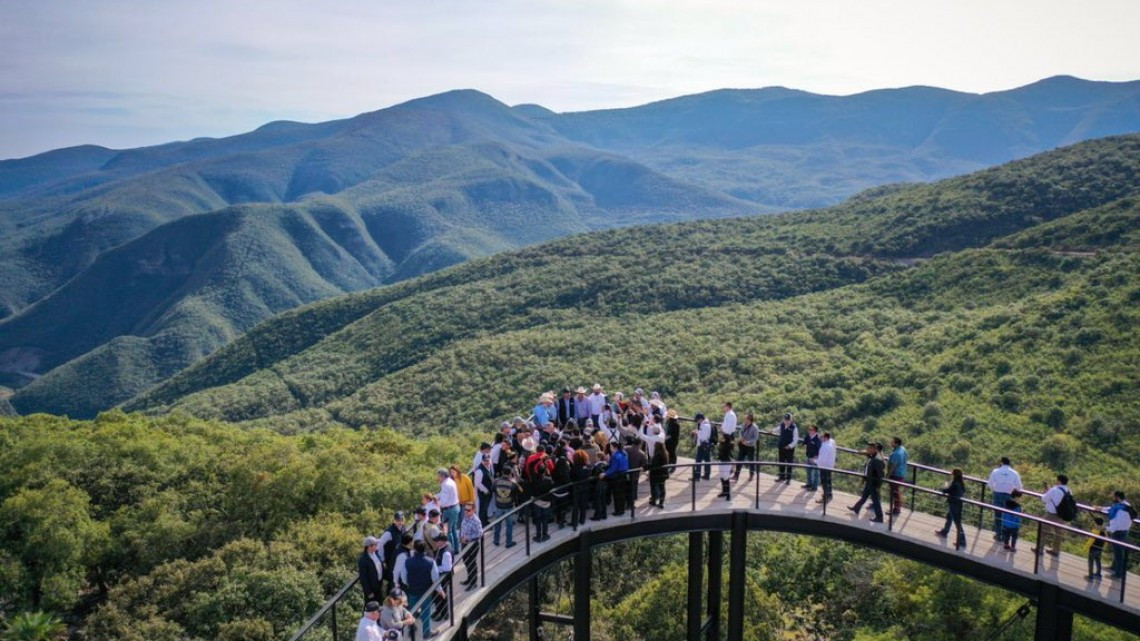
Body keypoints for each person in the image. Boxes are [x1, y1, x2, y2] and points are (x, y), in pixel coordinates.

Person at [399, 540, 441, 640]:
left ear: (414, 549)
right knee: (426, 612)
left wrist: (409, 584)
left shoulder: (407, 561)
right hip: (426, 590)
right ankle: (426, 633)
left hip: (412, 590)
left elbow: (403, 577)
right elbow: (435, 578)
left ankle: (411, 630)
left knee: (412, 611)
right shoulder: (430, 562)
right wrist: (439, 590)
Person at [1033, 474, 1072, 557]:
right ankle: (1056, 551)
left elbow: (1045, 499)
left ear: (1059, 481)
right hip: (1062, 516)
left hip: (1051, 514)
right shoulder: (1069, 490)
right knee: (1059, 534)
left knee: (1043, 531)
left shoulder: (1054, 489)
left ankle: (1039, 549)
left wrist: (1045, 492)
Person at [987, 457, 1023, 538]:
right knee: (1006, 516)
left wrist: (995, 488)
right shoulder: (1014, 473)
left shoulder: (995, 471)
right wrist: (1011, 488)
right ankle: (1005, 536)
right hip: (1008, 496)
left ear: (1002, 462)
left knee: (998, 516)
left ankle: (998, 534)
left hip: (997, 494)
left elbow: (990, 484)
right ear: (1009, 463)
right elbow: (1019, 487)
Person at [848, 443, 884, 523]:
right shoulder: (872, 456)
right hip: (869, 481)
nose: (867, 449)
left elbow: (880, 475)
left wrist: (878, 486)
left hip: (873, 483)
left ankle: (880, 517)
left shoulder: (877, 460)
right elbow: (863, 453)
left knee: (876, 500)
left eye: (869, 448)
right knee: (864, 496)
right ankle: (856, 508)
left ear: (874, 449)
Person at [934, 468, 967, 550]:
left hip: (953, 504)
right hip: (957, 503)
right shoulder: (960, 483)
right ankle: (944, 532)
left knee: (957, 523)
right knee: (949, 518)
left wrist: (945, 485)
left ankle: (962, 541)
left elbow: (946, 490)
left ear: (954, 475)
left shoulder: (955, 483)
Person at [491, 465, 521, 547]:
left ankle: (496, 540)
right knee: (509, 525)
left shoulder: (496, 481)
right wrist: (515, 482)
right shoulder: (513, 484)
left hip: (499, 506)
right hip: (509, 507)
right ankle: (508, 542)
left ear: (502, 472)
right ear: (510, 473)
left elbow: (493, 489)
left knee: (497, 524)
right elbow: (521, 491)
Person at [1107, 490, 1135, 579]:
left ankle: (1118, 574)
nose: (1113, 498)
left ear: (1117, 497)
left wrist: (1108, 528)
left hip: (1118, 532)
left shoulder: (1120, 510)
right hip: (1124, 531)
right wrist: (1101, 508)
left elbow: (1118, 524)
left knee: (1119, 553)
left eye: (1114, 497)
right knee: (1118, 552)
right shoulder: (1126, 506)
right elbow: (1112, 509)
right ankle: (1114, 567)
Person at [378, 512, 406, 593]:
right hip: (391, 561)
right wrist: (382, 559)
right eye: (398, 520)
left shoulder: (403, 529)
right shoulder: (389, 533)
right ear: (394, 520)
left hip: (400, 560)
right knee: (393, 582)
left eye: (401, 520)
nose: (400, 522)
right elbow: (380, 545)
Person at [437, 468, 462, 554]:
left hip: (449, 510)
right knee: (454, 529)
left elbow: (444, 501)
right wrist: (437, 496)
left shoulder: (446, 485)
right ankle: (456, 548)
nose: (438, 478)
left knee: (448, 531)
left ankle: (451, 549)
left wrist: (437, 502)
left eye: (439, 476)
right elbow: (444, 495)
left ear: (442, 476)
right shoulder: (451, 481)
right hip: (456, 507)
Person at [459, 503, 483, 590]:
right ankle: (469, 579)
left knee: (472, 563)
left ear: (473, 510)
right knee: (466, 561)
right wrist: (461, 538)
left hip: (472, 544)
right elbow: (463, 529)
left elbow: (480, 533)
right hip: (464, 544)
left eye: (468, 510)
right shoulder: (465, 518)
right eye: (465, 509)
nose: (466, 511)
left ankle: (473, 583)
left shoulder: (476, 521)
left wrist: (468, 538)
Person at [603, 441, 630, 515]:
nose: (610, 448)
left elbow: (613, 469)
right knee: (622, 495)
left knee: (617, 495)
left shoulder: (614, 456)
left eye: (611, 447)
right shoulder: (623, 454)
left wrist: (604, 473)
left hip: (617, 478)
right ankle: (622, 510)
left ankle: (618, 511)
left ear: (615, 447)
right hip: (624, 476)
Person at [531, 464, 555, 542]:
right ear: (545, 471)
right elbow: (552, 488)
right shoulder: (549, 480)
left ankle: (538, 536)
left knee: (538, 520)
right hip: (546, 503)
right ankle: (545, 535)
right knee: (545, 519)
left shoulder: (534, 479)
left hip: (537, 502)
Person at [733, 413, 760, 481]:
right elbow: (740, 432)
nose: (745, 419)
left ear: (749, 419)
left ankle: (751, 475)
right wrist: (741, 438)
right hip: (742, 445)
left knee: (751, 461)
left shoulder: (755, 427)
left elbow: (756, 438)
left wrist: (748, 442)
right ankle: (736, 475)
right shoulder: (744, 425)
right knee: (739, 460)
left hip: (750, 447)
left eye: (746, 418)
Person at [359, 536, 384, 603]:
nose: (377, 546)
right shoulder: (363, 560)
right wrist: (368, 592)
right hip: (372, 588)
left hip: (379, 585)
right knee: (371, 608)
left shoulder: (376, 554)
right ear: (369, 546)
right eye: (375, 545)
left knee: (379, 605)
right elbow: (363, 578)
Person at [886, 437, 907, 515]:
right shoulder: (903, 449)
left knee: (895, 492)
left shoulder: (896, 454)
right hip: (902, 473)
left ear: (896, 443)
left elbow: (892, 466)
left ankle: (896, 510)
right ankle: (896, 509)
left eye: (892, 442)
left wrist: (888, 475)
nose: (890, 443)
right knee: (896, 492)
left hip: (896, 475)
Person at [775, 413, 799, 484]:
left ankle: (788, 479)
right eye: (785, 419)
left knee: (789, 463)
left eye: (787, 420)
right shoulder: (782, 425)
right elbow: (777, 429)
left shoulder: (794, 427)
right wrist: (771, 430)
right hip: (781, 446)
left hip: (789, 449)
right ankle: (781, 477)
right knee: (781, 462)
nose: (786, 421)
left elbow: (795, 440)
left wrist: (789, 446)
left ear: (791, 420)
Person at [647, 436, 669, 507]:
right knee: (662, 488)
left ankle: (654, 501)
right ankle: (661, 503)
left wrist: (645, 467)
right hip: (663, 474)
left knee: (654, 488)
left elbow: (653, 465)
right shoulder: (665, 454)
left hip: (656, 475)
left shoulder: (657, 456)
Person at [624, 438, 647, 506]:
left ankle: (626, 500)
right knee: (633, 488)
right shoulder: (642, 454)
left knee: (626, 487)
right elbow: (645, 465)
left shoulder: (625, 449)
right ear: (640, 444)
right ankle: (631, 503)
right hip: (635, 474)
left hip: (625, 472)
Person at [815, 432, 836, 504]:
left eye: (822, 437)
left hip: (824, 466)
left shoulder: (825, 447)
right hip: (830, 465)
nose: (821, 438)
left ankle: (825, 497)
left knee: (824, 482)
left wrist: (815, 461)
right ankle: (829, 494)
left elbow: (822, 460)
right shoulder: (832, 442)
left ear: (826, 438)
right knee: (828, 481)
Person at [474, 454, 494, 525]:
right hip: (484, 492)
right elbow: (477, 483)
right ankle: (482, 523)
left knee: (486, 507)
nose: (487, 462)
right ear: (482, 460)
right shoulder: (479, 470)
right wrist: (485, 490)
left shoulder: (488, 466)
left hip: (488, 491)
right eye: (485, 461)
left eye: (488, 460)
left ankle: (485, 521)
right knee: (483, 508)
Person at [693, 413, 712, 481]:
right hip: (706, 444)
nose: (697, 422)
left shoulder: (704, 425)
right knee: (707, 460)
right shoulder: (707, 424)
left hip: (702, 444)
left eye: (697, 420)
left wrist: (697, 432)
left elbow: (703, 436)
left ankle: (697, 476)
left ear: (700, 419)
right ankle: (707, 475)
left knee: (698, 461)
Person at [802, 426, 822, 492]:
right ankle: (809, 484)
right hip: (808, 456)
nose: (809, 431)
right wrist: (804, 445)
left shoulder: (818, 439)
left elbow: (820, 449)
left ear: (815, 431)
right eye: (809, 430)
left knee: (816, 473)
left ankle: (814, 487)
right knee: (808, 471)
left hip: (815, 458)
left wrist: (816, 456)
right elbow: (804, 442)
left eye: (811, 430)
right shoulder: (808, 436)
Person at [716, 433, 734, 501]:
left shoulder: (728, 445)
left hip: (726, 462)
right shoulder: (721, 444)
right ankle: (724, 491)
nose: (720, 438)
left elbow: (728, 451)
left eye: (722, 437)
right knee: (722, 477)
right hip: (721, 461)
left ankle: (728, 494)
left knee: (726, 478)